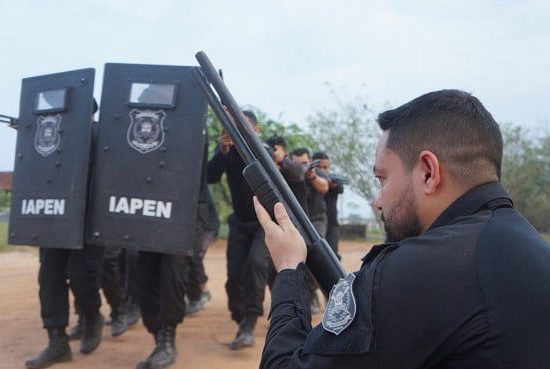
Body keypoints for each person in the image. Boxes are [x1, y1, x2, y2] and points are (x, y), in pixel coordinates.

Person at [254, 89, 550, 368]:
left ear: (428, 173)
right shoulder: (530, 245)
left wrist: (290, 268)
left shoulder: (427, 268)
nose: (378, 201)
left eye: (382, 178)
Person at [26, 100, 105, 369]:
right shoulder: (52, 135)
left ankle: (91, 317)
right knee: (49, 276)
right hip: (55, 216)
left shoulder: (100, 135)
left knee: (83, 275)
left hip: (89, 219)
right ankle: (57, 342)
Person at [290, 147, 329, 314]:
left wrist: (311, 175)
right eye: (298, 164)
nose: (302, 167)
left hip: (317, 220)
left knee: (315, 253)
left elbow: (324, 187)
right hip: (299, 222)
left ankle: (320, 292)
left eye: (305, 163)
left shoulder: (316, 174)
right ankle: (310, 295)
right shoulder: (290, 175)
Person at [312, 151, 344, 259]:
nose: (322, 170)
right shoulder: (311, 180)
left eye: (325, 167)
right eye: (319, 167)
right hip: (316, 223)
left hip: (331, 224)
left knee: (333, 256)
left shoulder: (332, 180)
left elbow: (340, 188)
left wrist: (332, 185)